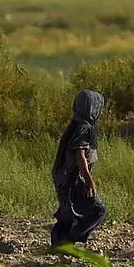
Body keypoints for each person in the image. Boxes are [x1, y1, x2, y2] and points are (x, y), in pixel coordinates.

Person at [50, 89, 108, 248]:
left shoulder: (75, 125)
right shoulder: (84, 128)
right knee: (98, 210)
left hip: (65, 177)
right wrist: (89, 181)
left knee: (69, 212)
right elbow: (80, 155)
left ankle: (58, 241)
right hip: (74, 178)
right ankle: (70, 239)